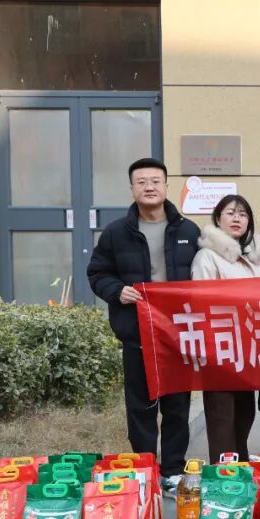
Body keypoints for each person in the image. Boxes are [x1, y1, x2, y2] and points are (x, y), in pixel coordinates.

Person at [87, 158, 200, 494]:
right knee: (140, 407)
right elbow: (97, 273)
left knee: (177, 407)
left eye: (155, 181)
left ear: (166, 186)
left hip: (177, 335)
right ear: (132, 188)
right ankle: (146, 469)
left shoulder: (188, 231)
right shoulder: (116, 233)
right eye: (142, 182)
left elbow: (205, 276)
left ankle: (173, 471)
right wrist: (116, 291)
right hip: (137, 334)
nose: (149, 187)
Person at [190, 194, 260, 464]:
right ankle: (222, 473)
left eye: (243, 214)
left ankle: (240, 466)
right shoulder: (207, 256)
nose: (237, 219)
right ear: (218, 219)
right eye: (230, 213)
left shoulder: (255, 257)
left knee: (245, 412)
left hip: (248, 347)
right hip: (219, 346)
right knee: (222, 415)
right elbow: (200, 304)